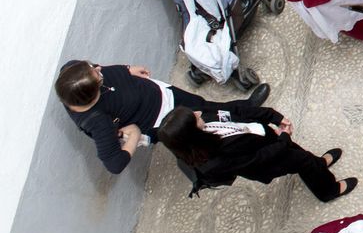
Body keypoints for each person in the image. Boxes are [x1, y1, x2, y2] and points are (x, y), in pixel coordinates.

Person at [55, 60, 269, 176]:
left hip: (165, 93)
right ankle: (252, 134)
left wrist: (127, 70)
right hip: (164, 118)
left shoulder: (72, 73)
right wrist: (134, 135)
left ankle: (246, 110)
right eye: (98, 75)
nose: (99, 69)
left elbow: (97, 69)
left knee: (206, 107)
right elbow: (114, 163)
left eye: (94, 67)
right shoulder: (97, 121)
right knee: (208, 123)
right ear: (91, 95)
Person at [157, 103, 356, 200]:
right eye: (195, 118)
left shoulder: (204, 118)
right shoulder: (212, 161)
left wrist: (273, 116)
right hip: (268, 160)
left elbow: (237, 108)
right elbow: (258, 159)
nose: (199, 113)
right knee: (302, 160)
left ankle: (318, 165)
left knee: (301, 155)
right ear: (193, 134)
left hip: (267, 138)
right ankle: (327, 191)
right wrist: (284, 139)